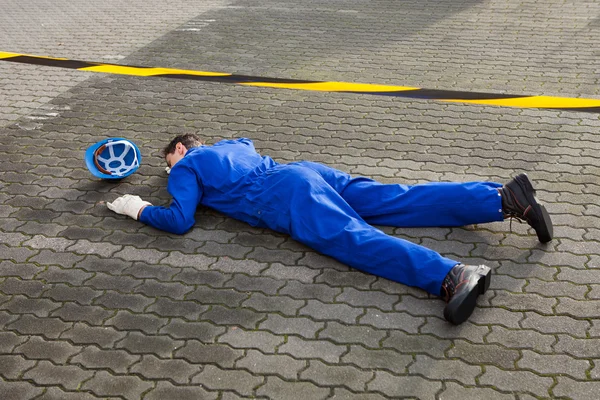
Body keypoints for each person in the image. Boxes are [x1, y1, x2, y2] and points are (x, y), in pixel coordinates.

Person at [107, 134, 553, 325]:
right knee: (393, 197)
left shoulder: (187, 166)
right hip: (302, 171)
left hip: (284, 196)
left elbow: (180, 219)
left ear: (181, 149)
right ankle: (500, 199)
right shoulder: (234, 144)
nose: (170, 172)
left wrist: (138, 207)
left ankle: (450, 275)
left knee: (353, 240)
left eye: (168, 162)